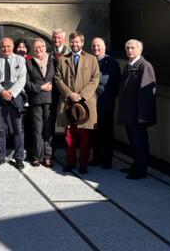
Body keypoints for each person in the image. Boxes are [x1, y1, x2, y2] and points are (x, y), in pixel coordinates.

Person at [54, 31, 100, 174]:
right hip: (68, 102)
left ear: (82, 43)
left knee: (85, 136)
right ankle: (70, 161)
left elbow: (95, 79)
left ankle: (84, 163)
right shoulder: (63, 59)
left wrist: (82, 95)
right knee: (69, 136)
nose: (74, 44)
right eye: (72, 42)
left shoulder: (92, 59)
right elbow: (58, 79)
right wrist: (69, 94)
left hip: (85, 103)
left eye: (77, 42)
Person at [118, 39, 156, 180]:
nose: (130, 50)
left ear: (140, 50)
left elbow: (146, 93)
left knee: (140, 142)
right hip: (129, 113)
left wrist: (142, 114)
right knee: (133, 142)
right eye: (127, 48)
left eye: (133, 48)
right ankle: (136, 165)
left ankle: (141, 170)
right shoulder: (129, 66)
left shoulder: (144, 66)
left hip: (138, 115)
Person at [0, 37, 27, 169]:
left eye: (8, 46)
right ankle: (0, 156)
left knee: (18, 129)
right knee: (0, 129)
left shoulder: (20, 60)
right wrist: (2, 92)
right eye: (3, 46)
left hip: (15, 98)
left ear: (12, 47)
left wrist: (11, 93)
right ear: (0, 47)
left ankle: (18, 158)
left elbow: (22, 79)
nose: (6, 49)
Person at [90, 37, 121, 169]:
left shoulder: (112, 62)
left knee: (107, 133)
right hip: (92, 105)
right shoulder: (90, 62)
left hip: (106, 103)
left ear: (104, 47)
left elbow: (116, 84)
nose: (96, 48)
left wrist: (110, 98)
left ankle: (107, 160)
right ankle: (96, 158)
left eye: (98, 46)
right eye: (93, 46)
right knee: (94, 133)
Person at [24, 38, 56, 168]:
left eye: (40, 47)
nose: (38, 49)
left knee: (48, 129)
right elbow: (26, 84)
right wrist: (40, 88)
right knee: (37, 130)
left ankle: (47, 156)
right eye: (35, 48)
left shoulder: (53, 62)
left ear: (44, 48)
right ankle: (37, 156)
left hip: (50, 101)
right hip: (36, 101)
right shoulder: (29, 64)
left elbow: (57, 79)